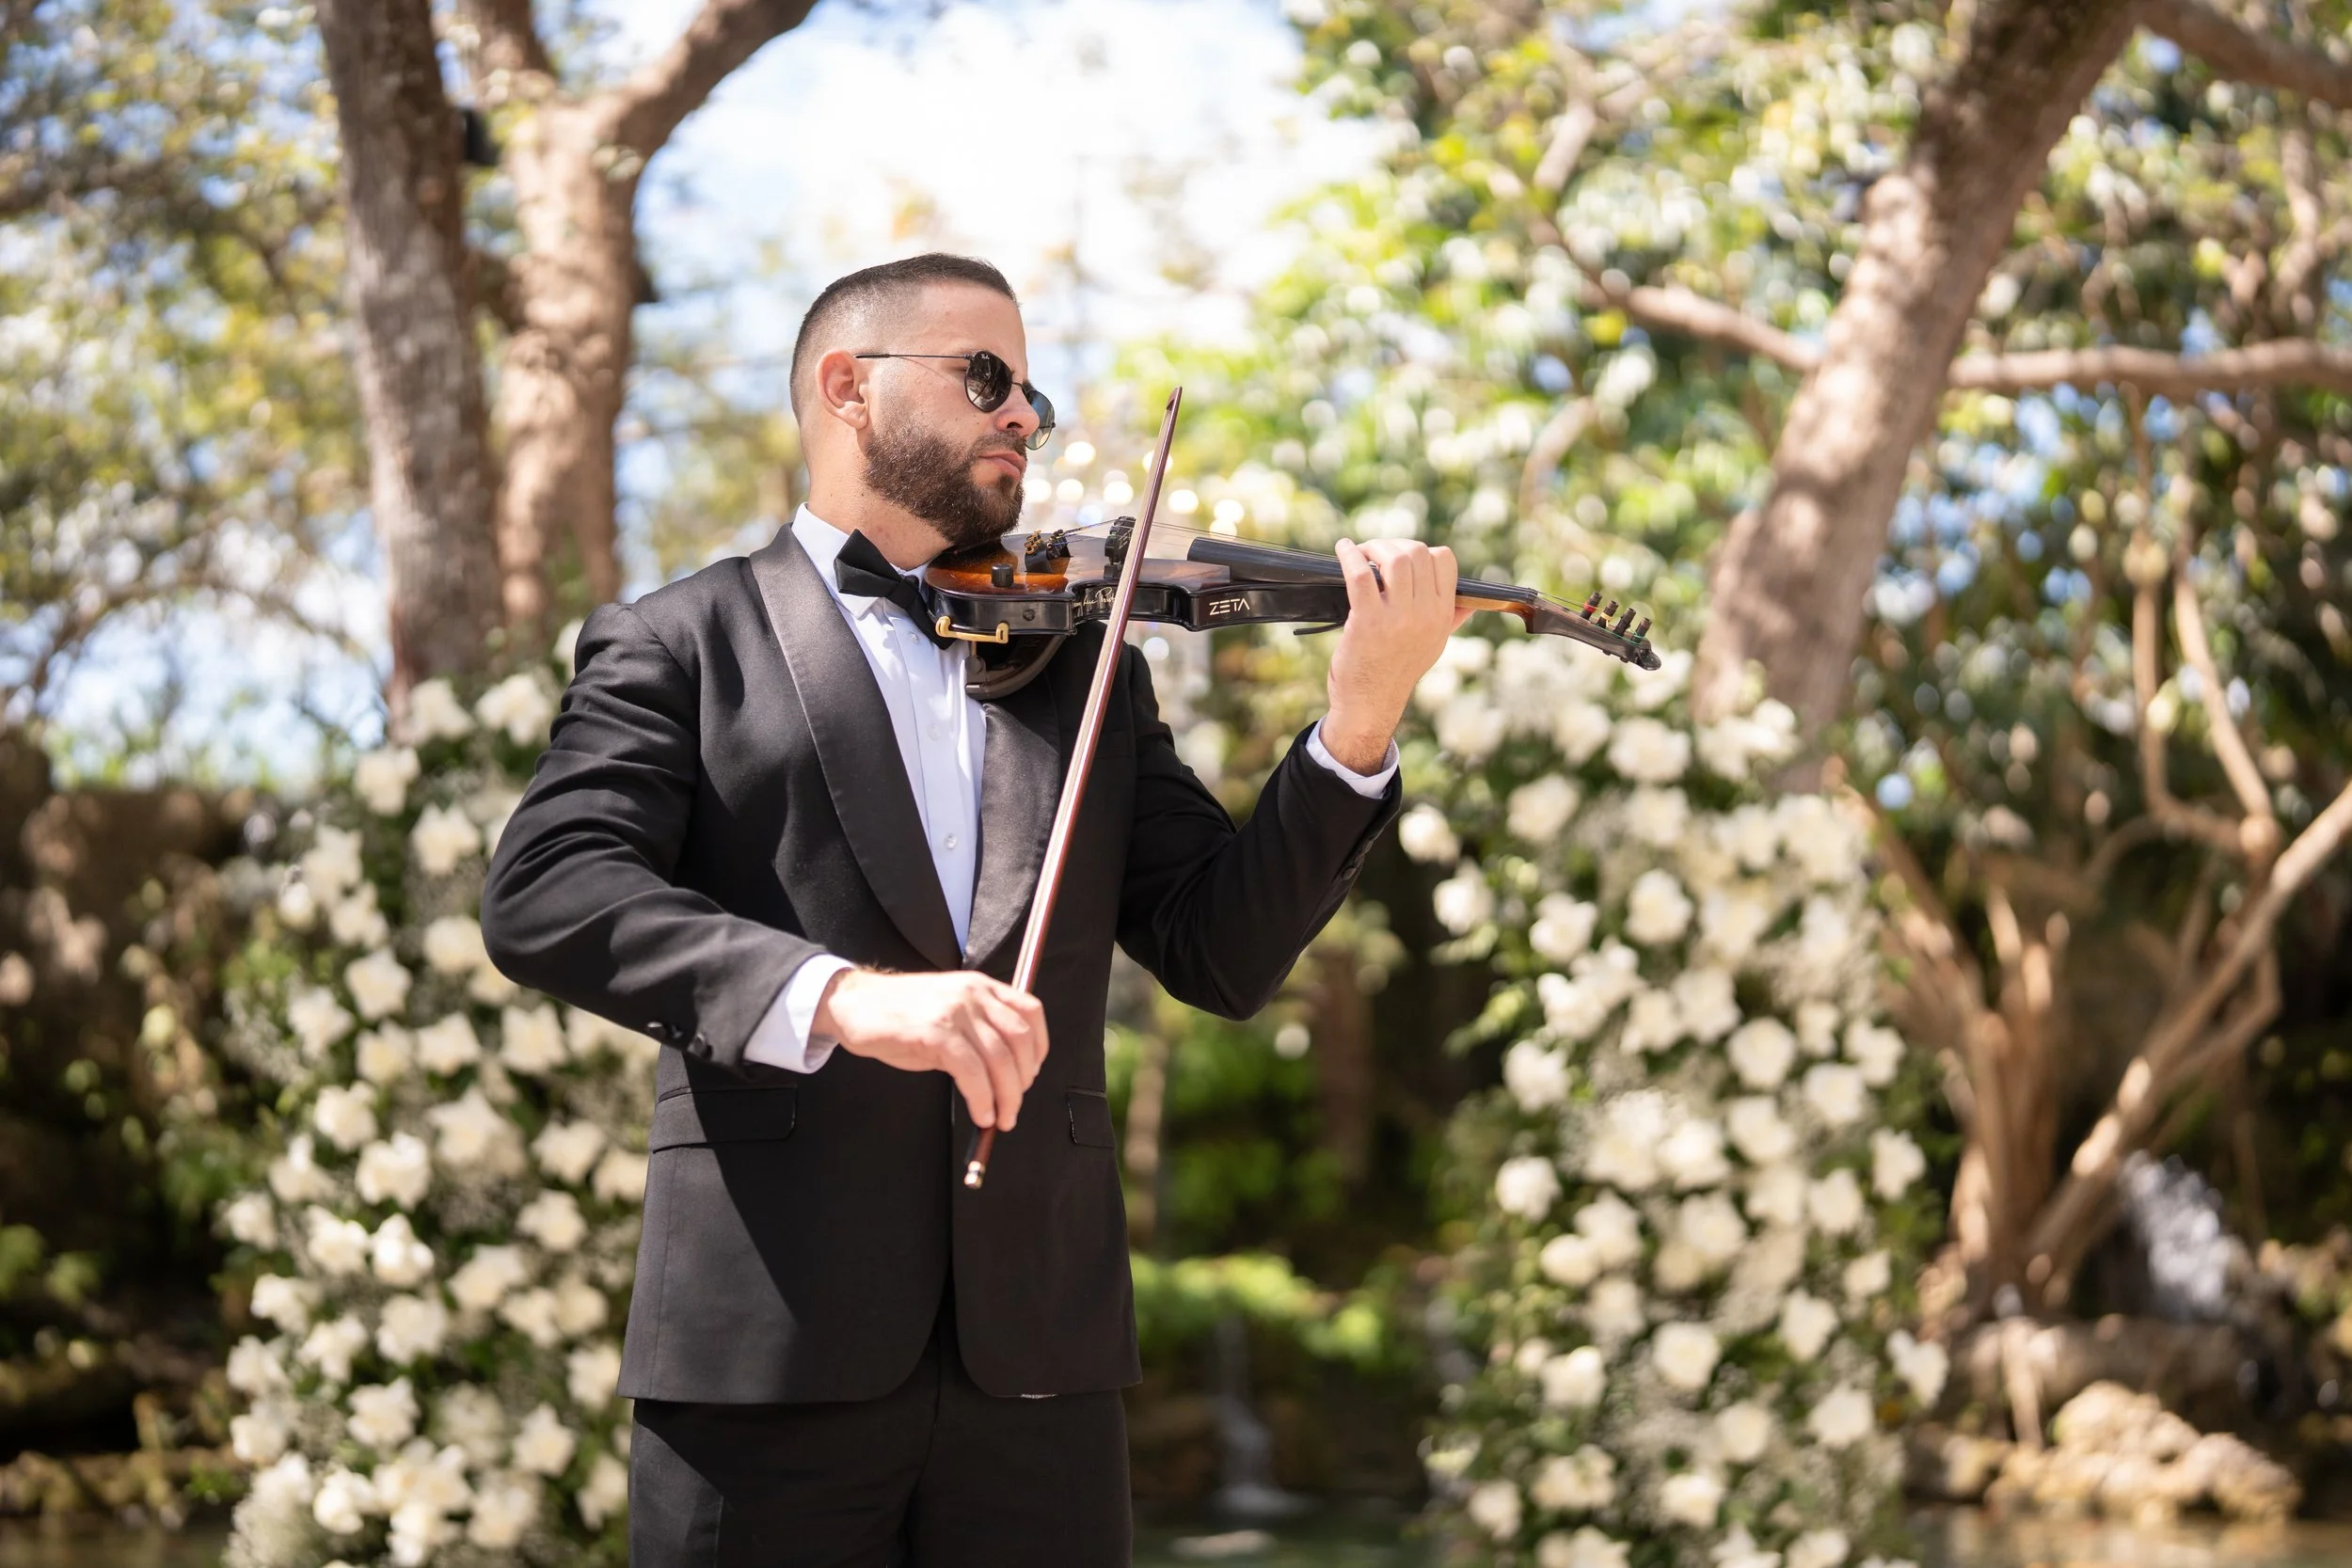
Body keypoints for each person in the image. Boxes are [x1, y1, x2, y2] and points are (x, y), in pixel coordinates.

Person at [479, 252, 1466, 1567]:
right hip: (770, 1353)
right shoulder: (680, 640)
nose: (1023, 416)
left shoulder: (1083, 664)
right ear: (848, 388)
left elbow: (1220, 950)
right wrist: (845, 995)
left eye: (1030, 393)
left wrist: (1359, 720)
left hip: (1037, 1363)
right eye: (986, 377)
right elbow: (550, 887)